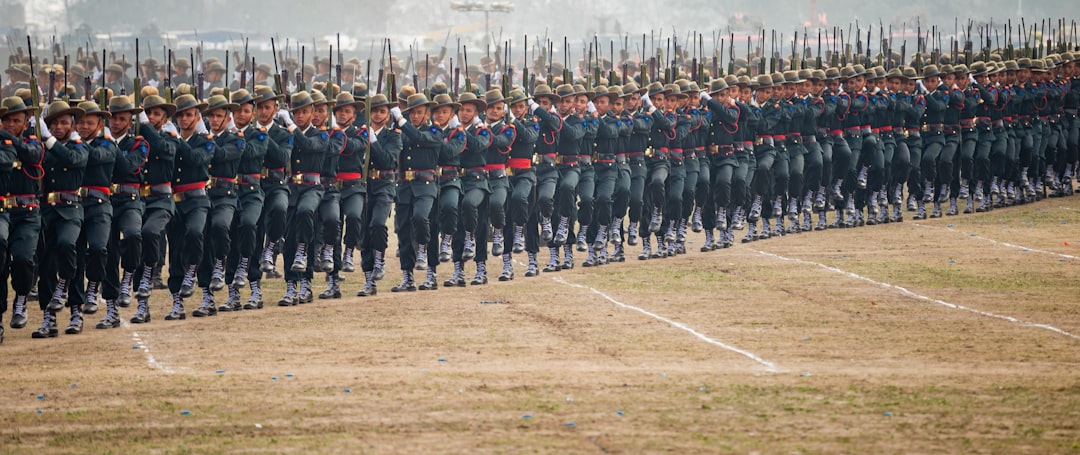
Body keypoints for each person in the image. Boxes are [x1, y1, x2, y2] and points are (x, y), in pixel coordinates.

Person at [36, 101, 89, 336]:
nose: (58, 127)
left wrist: (48, 140)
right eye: (54, 123)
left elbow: (71, 160)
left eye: (64, 122)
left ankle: (73, 305)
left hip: (71, 209)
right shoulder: (42, 147)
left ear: (72, 125)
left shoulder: (79, 146)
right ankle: (49, 317)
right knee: (46, 263)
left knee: (69, 249)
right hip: (47, 210)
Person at [163, 94, 215, 320]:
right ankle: (177, 301)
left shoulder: (206, 140)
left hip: (198, 200)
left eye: (189, 114)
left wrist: (175, 140)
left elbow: (196, 159)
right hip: (175, 201)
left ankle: (203, 290)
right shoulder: (170, 139)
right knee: (175, 250)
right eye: (180, 115)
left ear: (197, 116)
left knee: (196, 236)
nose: (184, 119)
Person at [355, 94, 401, 297]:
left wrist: (372, 140)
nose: (378, 114)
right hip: (364, 186)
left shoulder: (393, 136)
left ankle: (380, 258)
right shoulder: (360, 133)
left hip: (384, 186)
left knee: (378, 224)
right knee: (364, 233)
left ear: (388, 115)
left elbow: (387, 161)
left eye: (382, 111)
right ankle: (368, 280)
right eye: (374, 111)